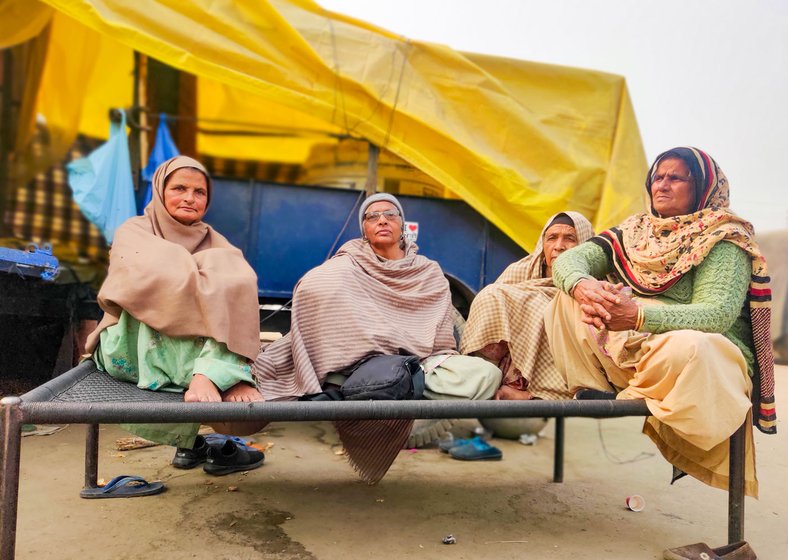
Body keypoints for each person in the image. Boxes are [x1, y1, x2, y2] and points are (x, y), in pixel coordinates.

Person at [546, 147, 776, 497]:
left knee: (696, 344)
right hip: (637, 352)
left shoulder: (724, 239)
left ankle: (644, 392)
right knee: (564, 297)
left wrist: (638, 315)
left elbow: (714, 315)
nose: (662, 185)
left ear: (702, 187)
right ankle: (603, 385)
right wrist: (584, 287)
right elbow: (570, 261)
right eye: (657, 177)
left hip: (700, 357)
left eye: (675, 178)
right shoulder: (636, 231)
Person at [254, 193, 501, 482]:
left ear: (402, 224)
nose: (381, 220)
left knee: (486, 373)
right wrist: (371, 337)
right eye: (372, 216)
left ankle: (397, 384)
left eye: (390, 214)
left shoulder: (428, 271)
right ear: (364, 229)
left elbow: (441, 339)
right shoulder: (347, 263)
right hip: (356, 365)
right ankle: (353, 383)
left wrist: (402, 345)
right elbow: (309, 289)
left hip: (415, 363)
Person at [85, 156, 265, 469]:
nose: (189, 198)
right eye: (179, 188)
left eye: (199, 192)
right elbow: (154, 281)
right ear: (160, 190)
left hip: (190, 350)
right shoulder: (134, 231)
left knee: (237, 280)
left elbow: (240, 283)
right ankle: (221, 375)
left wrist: (206, 280)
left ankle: (210, 377)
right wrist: (202, 280)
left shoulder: (214, 241)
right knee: (202, 289)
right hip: (136, 347)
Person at [460, 211, 593, 400]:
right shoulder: (522, 270)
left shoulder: (593, 282)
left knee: (549, 312)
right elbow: (492, 310)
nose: (558, 246)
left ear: (585, 246)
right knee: (490, 295)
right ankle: (485, 379)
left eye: (569, 238)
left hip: (562, 373)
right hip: (504, 365)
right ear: (542, 243)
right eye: (552, 238)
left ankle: (534, 394)